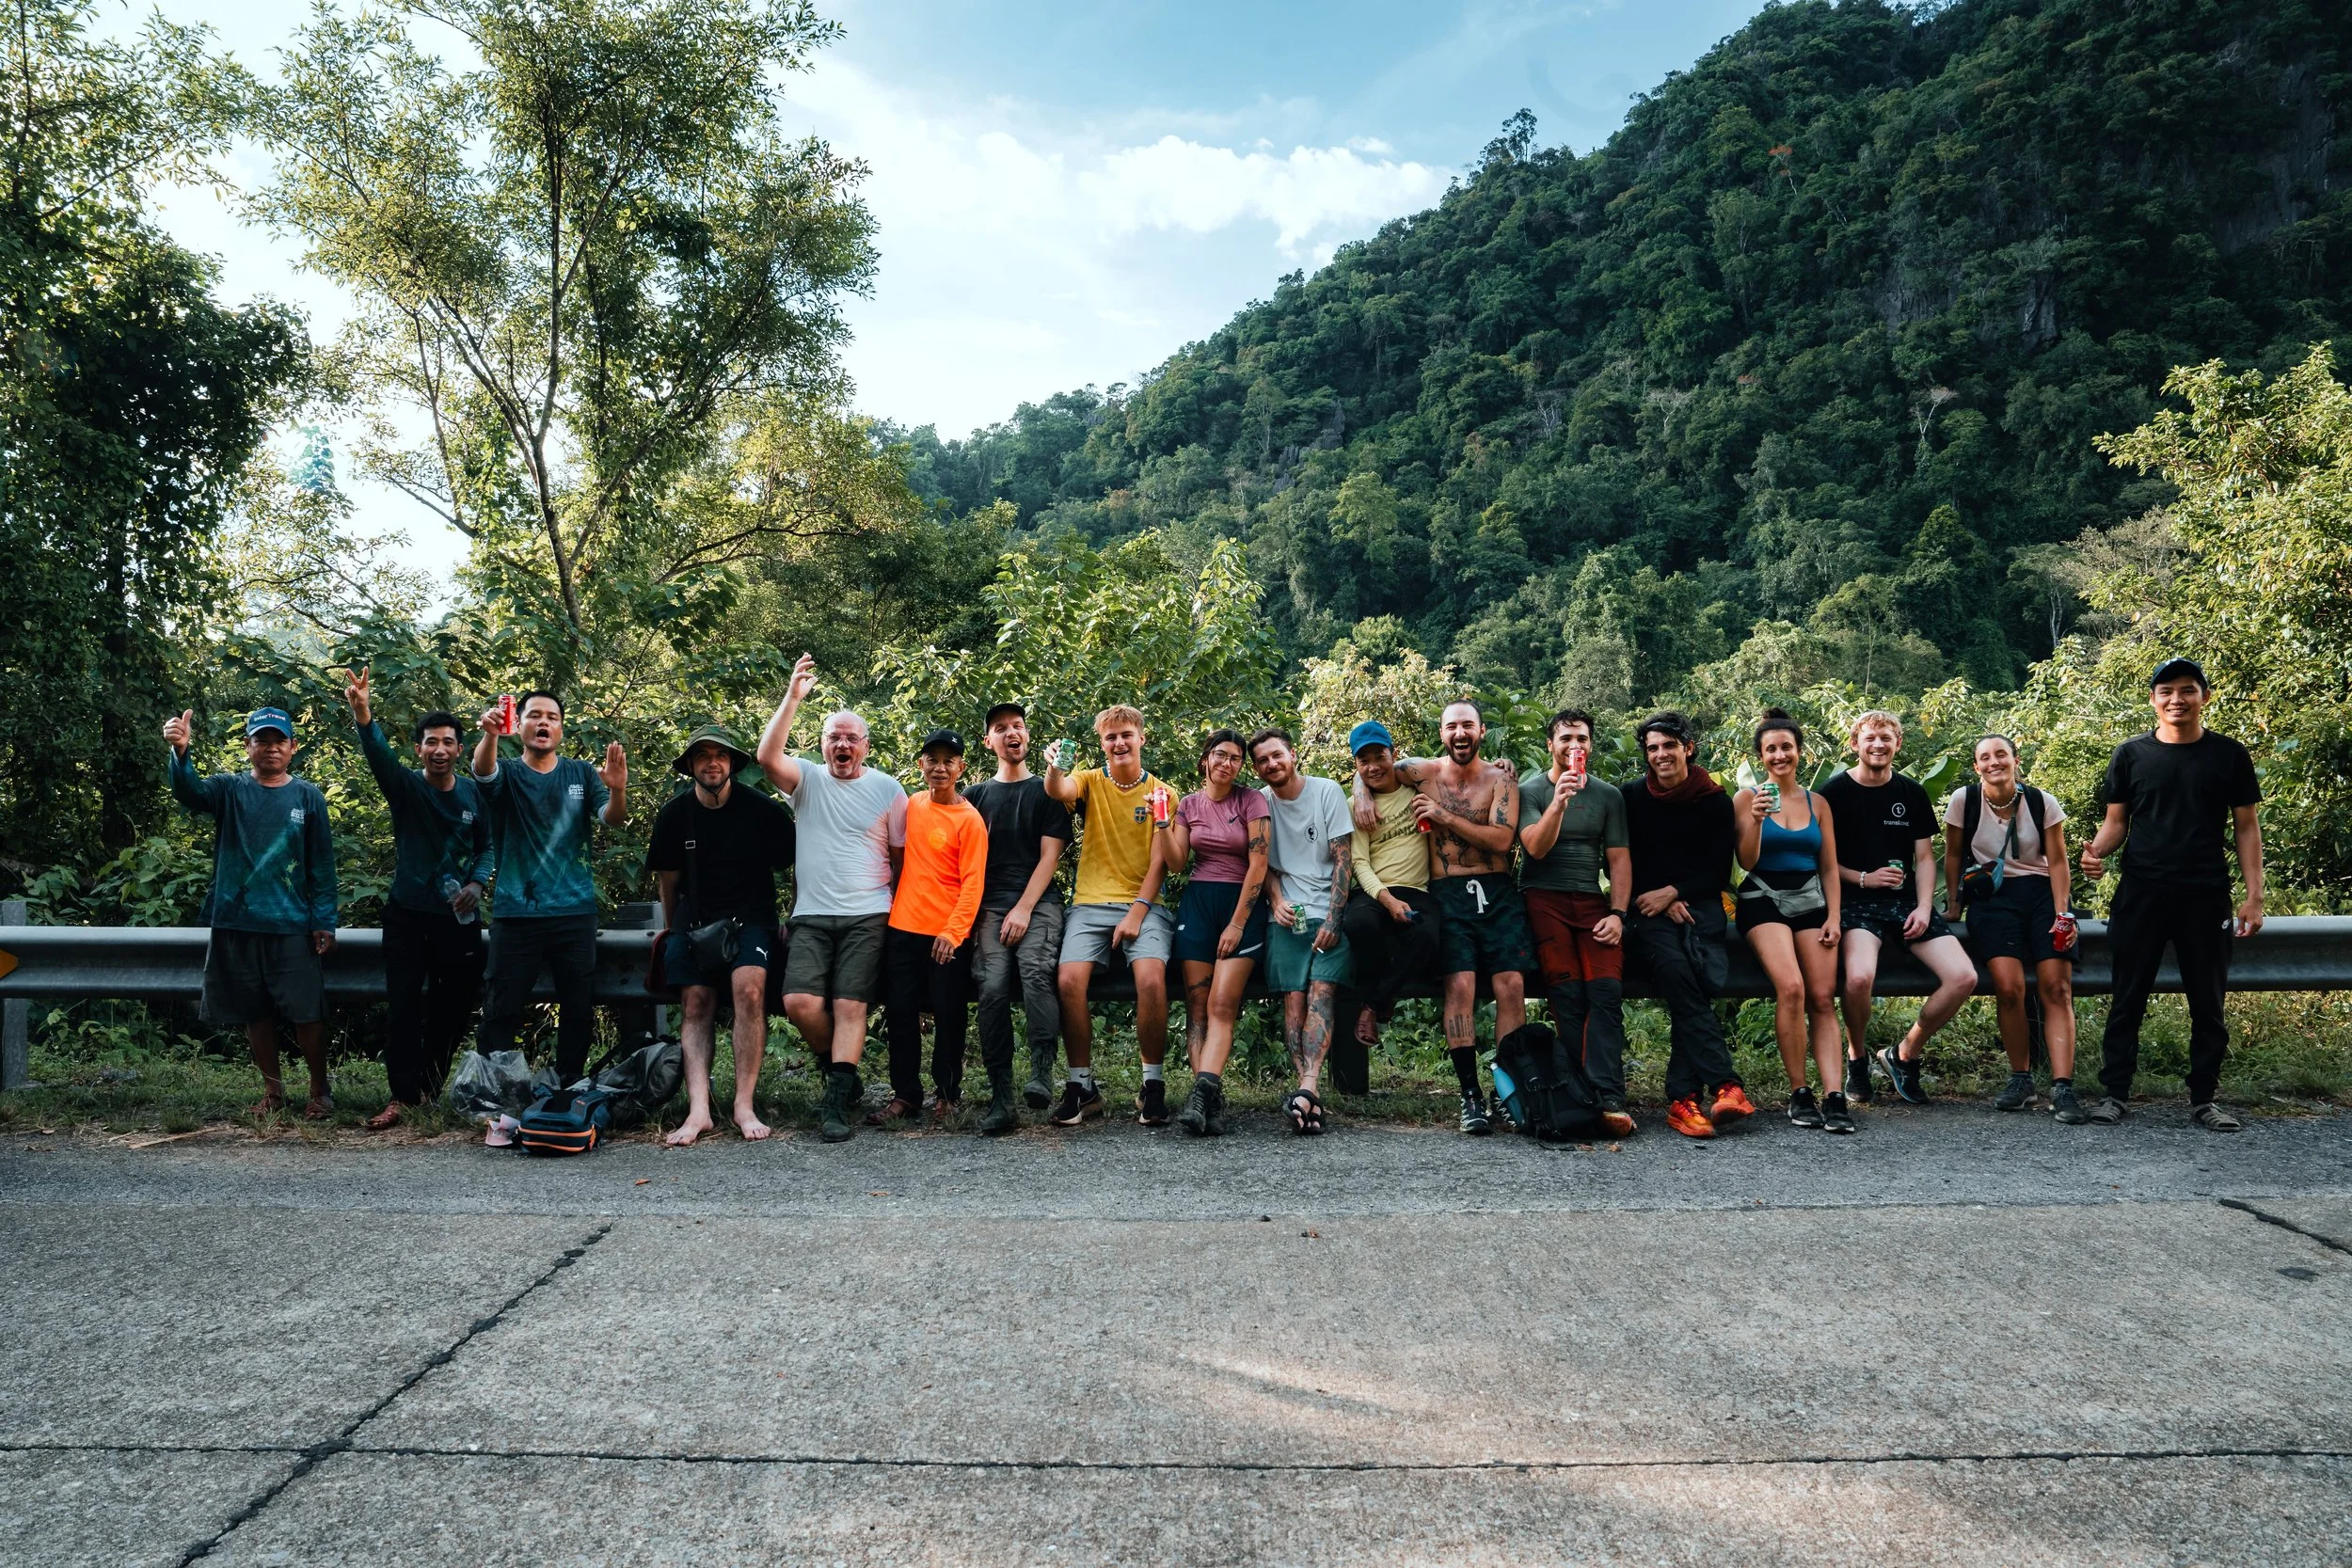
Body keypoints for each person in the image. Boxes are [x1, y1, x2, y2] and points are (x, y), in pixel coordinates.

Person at [2078, 658, 2264, 1132]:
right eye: (2166, 691)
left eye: (2187, 690)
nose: (2176, 699)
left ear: (2204, 696)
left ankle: (2205, 1100)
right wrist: (2095, 854)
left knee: (2208, 1002)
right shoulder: (2130, 755)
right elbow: (2116, 823)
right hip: (2141, 894)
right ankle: (2114, 1095)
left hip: (2206, 895)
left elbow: (2247, 828)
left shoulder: (2228, 755)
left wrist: (2254, 896)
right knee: (2127, 999)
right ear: (2153, 700)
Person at [1353, 701, 1532, 1135]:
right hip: (1448, 893)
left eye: (1468, 725)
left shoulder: (1502, 779)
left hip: (1498, 890)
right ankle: (1469, 1095)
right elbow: (1373, 767)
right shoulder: (1420, 771)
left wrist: (1443, 814)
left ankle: (1507, 1092)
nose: (1460, 733)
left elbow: (1502, 839)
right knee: (1461, 985)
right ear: (1442, 732)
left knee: (1512, 985)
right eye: (1452, 726)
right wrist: (1359, 791)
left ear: (1482, 731)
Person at [755, 654, 905, 1144]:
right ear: (822, 745)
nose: (842, 744)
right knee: (798, 1001)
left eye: (851, 738)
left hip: (869, 914)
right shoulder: (807, 780)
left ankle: (836, 1102)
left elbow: (901, 858)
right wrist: (793, 697)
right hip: (812, 916)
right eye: (834, 737)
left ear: (866, 746)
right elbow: (766, 758)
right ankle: (841, 1071)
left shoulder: (888, 789)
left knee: (848, 1005)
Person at [166, 705, 339, 1118]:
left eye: (279, 741)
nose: (271, 748)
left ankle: (320, 1092)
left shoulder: (307, 796)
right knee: (254, 1011)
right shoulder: (229, 789)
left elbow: (322, 864)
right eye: (262, 740)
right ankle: (274, 1094)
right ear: (248, 747)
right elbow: (188, 792)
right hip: (236, 919)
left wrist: (324, 919)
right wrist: (180, 752)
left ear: (293, 747)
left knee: (307, 1013)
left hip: (292, 923)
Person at [345, 668, 489, 1127]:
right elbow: (379, 757)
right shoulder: (407, 788)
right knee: (404, 1006)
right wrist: (363, 713)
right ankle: (401, 1097)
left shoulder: (474, 795)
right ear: (420, 748)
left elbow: (489, 847)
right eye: (431, 742)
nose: (440, 750)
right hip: (407, 915)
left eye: (448, 742)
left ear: (459, 749)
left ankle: (426, 1091)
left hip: (459, 919)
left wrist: (477, 883)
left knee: (453, 1008)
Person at [647, 725, 795, 1146]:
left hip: (753, 917)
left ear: (732, 764)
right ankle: (699, 1110)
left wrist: (793, 915)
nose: (712, 762)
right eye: (702, 756)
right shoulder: (675, 815)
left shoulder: (763, 810)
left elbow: (799, 862)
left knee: (748, 990)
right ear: (691, 766)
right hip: (695, 920)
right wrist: (675, 930)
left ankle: (743, 1105)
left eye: (720, 755)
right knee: (696, 1003)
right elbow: (668, 880)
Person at [1821, 711, 1977, 1105]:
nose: (1878, 745)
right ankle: (1857, 1056)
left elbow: (1925, 859)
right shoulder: (1833, 793)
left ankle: (1903, 1052)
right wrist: (1862, 878)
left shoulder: (1911, 793)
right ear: (1854, 744)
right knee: (1857, 980)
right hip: (1855, 903)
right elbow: (1820, 859)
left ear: (1898, 744)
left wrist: (1926, 907)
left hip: (1906, 904)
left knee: (1963, 977)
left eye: (1886, 738)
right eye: (1870, 738)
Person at [471, 691, 626, 1084]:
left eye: (552, 717)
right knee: (501, 1007)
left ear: (561, 727)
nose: (544, 723)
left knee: (577, 1008)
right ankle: (499, 1093)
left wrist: (618, 789)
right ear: (519, 724)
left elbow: (611, 819)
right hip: (515, 911)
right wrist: (490, 735)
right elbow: (482, 773)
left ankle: (569, 1086)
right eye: (534, 716)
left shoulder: (581, 773)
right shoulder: (507, 771)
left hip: (574, 911)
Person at [1618, 711, 1754, 1139]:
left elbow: (1718, 870)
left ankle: (1684, 1100)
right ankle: (1727, 1084)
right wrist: (1660, 896)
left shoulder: (1713, 800)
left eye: (1669, 746)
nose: (1661, 754)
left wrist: (1674, 892)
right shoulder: (1632, 797)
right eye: (1653, 748)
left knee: (1698, 977)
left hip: (1700, 906)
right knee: (1678, 971)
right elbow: (1621, 862)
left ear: (1687, 748)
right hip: (1646, 909)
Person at [1043, 705, 1176, 1127]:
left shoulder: (1161, 793)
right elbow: (1059, 790)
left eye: (1126, 735)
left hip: (1145, 903)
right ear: (1102, 744)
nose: (1119, 743)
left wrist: (1137, 912)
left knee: (1153, 979)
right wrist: (1053, 766)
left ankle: (1152, 1086)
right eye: (1110, 737)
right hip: (1090, 901)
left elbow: (1163, 863)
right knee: (1067, 980)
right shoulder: (1089, 781)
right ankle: (1082, 1087)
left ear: (1142, 738)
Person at [1943, 734, 2082, 1123]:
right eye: (1984, 757)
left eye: (2001, 754)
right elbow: (1953, 854)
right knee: (2009, 987)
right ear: (1977, 767)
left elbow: (2057, 862)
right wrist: (1954, 905)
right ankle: (2021, 1078)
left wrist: (2062, 914)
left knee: (2057, 987)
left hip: (2042, 894)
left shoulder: (2042, 802)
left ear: (2015, 759)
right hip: (1993, 897)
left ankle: (2063, 1087)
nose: (1994, 762)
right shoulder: (1964, 801)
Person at [1518, 709, 1636, 1138]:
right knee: (1566, 994)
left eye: (1582, 739)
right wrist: (1559, 801)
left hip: (1591, 902)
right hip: (1543, 898)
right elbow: (1535, 848)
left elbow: (1619, 860)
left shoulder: (1608, 796)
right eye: (1565, 738)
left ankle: (1608, 1096)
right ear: (1550, 745)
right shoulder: (1530, 790)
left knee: (1605, 990)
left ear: (1591, 744)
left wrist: (1618, 914)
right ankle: (1575, 1095)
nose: (1574, 746)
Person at [1731, 710, 1851, 1133]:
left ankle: (1835, 1095)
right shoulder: (1747, 799)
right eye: (1771, 749)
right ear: (1760, 756)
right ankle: (1800, 1091)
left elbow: (1830, 867)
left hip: (1811, 900)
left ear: (1799, 751)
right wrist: (1757, 820)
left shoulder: (1818, 803)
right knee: (1793, 987)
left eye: (1786, 747)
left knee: (1822, 996)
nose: (1779, 755)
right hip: (1762, 898)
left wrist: (1835, 916)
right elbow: (1745, 860)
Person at [963, 702, 1070, 1133]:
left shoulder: (1047, 792)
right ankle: (1001, 1097)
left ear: (1027, 737)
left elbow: (1051, 858)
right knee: (990, 988)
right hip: (988, 907)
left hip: (1039, 902)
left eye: (1018, 726)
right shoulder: (973, 797)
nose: (1012, 732)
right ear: (989, 741)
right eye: (1001, 728)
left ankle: (1042, 1073)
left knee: (1036, 971)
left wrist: (1024, 908)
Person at [878, 729, 990, 1128]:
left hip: (946, 934)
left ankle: (947, 1095)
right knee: (902, 1013)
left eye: (948, 761)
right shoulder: (911, 805)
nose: (939, 767)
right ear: (921, 764)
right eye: (932, 760)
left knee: (949, 1013)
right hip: (903, 927)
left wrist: (954, 932)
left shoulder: (970, 820)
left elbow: (973, 882)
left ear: (961, 767)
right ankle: (905, 1094)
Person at [1166, 729, 1271, 1137]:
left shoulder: (1252, 800)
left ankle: (1202, 1094)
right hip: (1197, 903)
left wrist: (1238, 923)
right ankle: (1206, 1097)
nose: (1228, 764)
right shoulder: (1187, 804)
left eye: (1236, 758)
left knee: (1222, 1005)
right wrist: (1162, 824)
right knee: (1196, 1006)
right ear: (1206, 759)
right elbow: (1176, 862)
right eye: (1221, 755)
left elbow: (1259, 864)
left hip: (1240, 905)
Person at [1250, 728, 1354, 1135]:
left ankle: (1306, 1089)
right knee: (1293, 997)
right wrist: (1275, 900)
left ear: (1292, 755)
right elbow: (1267, 867)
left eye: (1277, 755)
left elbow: (1343, 858)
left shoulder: (1326, 791)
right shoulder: (1261, 803)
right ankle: (1305, 1091)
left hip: (1330, 906)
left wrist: (1333, 919)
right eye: (1263, 760)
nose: (1271, 764)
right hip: (1289, 912)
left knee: (1321, 991)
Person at [1338, 721, 1440, 1058]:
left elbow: (1449, 767)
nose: (1372, 767)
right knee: (1358, 924)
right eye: (1362, 761)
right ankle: (1380, 999)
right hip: (1374, 891)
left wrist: (1502, 765)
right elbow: (1359, 863)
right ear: (1355, 765)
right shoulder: (1356, 808)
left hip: (1417, 889)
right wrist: (1387, 899)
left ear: (1393, 755)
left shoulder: (1419, 789)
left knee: (1427, 936)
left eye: (1379, 756)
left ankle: (1373, 1004)